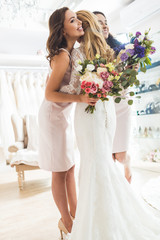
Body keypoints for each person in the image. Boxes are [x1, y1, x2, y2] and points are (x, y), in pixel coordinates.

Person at [61, 10, 160, 240]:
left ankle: (100, 222)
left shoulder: (78, 54)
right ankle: (104, 216)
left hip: (92, 112)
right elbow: (107, 85)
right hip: (102, 111)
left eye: (81, 23)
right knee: (99, 162)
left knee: (96, 163)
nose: (80, 27)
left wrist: (60, 90)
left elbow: (75, 88)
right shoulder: (103, 51)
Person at [38, 7, 98, 239]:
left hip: (62, 115)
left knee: (70, 167)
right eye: (73, 20)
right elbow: (50, 94)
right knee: (59, 172)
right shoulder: (62, 54)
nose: (79, 23)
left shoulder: (75, 53)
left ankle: (77, 214)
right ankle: (66, 222)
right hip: (53, 115)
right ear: (62, 30)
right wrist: (80, 98)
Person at [93, 11, 132, 183]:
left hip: (121, 104)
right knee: (109, 156)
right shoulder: (91, 52)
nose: (104, 25)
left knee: (121, 156)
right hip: (103, 108)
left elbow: (128, 79)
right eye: (99, 23)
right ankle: (119, 191)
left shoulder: (120, 50)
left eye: (105, 22)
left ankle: (128, 169)